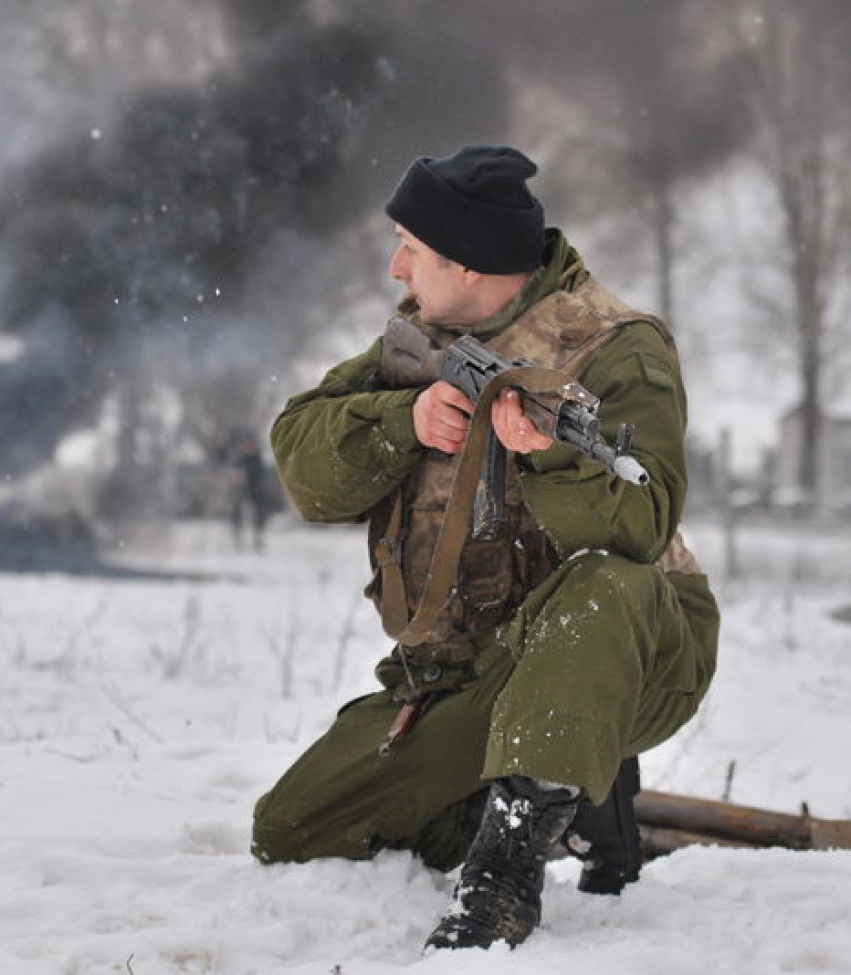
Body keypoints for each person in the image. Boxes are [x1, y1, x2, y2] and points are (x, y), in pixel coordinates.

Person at [252, 145, 719, 951]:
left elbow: (643, 525)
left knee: (603, 583)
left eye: (413, 248)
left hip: (633, 650)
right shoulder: (429, 332)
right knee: (292, 828)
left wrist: (550, 454)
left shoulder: (620, 349)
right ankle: (557, 792)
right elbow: (301, 461)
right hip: (479, 665)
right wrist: (407, 421)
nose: (397, 268)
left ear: (467, 263)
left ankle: (503, 880)